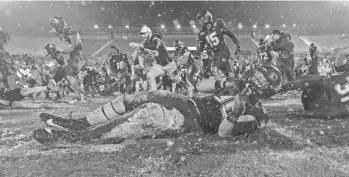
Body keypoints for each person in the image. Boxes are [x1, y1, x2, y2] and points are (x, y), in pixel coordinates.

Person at [32, 65, 283, 147]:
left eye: (262, 80)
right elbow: (200, 87)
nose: (256, 79)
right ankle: (78, 123)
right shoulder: (237, 84)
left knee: (146, 113)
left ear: (267, 90)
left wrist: (237, 110)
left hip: (196, 123)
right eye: (258, 75)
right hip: (191, 102)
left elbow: (223, 133)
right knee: (134, 98)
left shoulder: (259, 115)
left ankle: (79, 138)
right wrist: (225, 82)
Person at [196, 10, 241, 80]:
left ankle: (222, 88)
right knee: (230, 75)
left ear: (208, 17)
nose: (201, 21)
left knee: (214, 69)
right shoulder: (202, 33)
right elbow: (203, 47)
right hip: (216, 55)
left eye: (202, 19)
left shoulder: (217, 25)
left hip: (223, 50)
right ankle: (241, 86)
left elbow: (231, 35)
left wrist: (238, 47)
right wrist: (200, 47)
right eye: (200, 20)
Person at [49, 17, 84, 103]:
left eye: (55, 27)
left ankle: (78, 96)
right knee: (65, 75)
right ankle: (80, 94)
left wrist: (63, 51)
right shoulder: (65, 31)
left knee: (69, 76)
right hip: (74, 55)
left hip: (76, 55)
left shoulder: (68, 31)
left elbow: (74, 45)